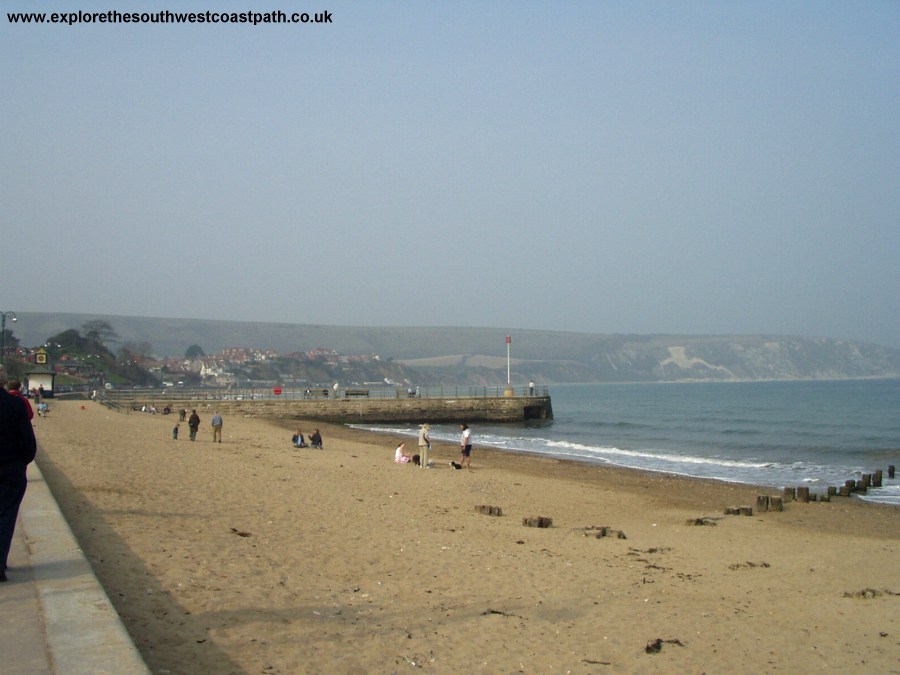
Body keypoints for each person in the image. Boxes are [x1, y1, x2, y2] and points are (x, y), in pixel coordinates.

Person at [1, 365, 38, 582]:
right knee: (5, 515)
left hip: (11, 466)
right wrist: (21, 462)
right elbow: (28, 442)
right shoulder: (15, 404)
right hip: (10, 468)